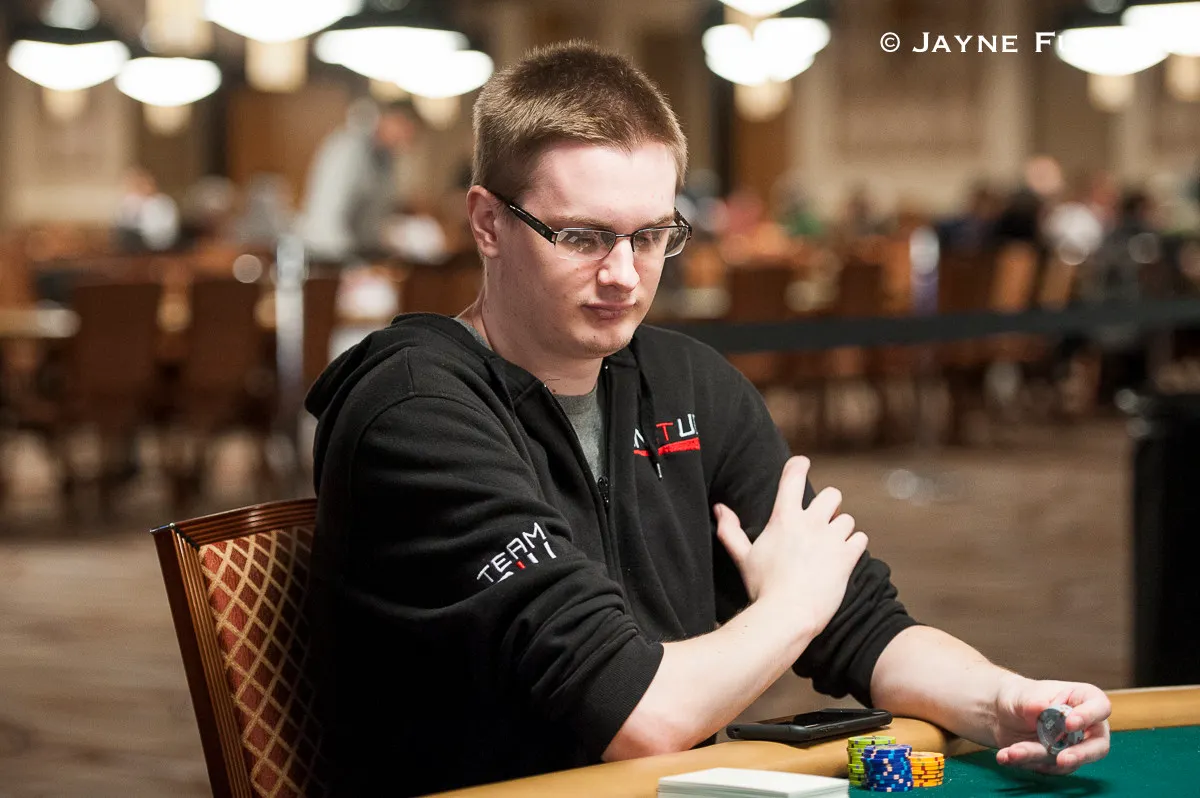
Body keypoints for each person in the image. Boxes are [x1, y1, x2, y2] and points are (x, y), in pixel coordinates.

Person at [305, 42, 1111, 796]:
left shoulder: (687, 382)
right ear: (488, 223)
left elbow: (861, 623)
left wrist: (999, 698)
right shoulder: (415, 413)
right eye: (582, 237)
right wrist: (793, 604)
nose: (625, 276)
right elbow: (639, 714)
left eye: (652, 235)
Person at [296, 100, 417, 263]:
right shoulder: (348, 149)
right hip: (326, 253)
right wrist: (351, 264)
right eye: (406, 130)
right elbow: (329, 218)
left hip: (356, 253)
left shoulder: (385, 158)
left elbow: (374, 218)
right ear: (391, 120)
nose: (406, 141)